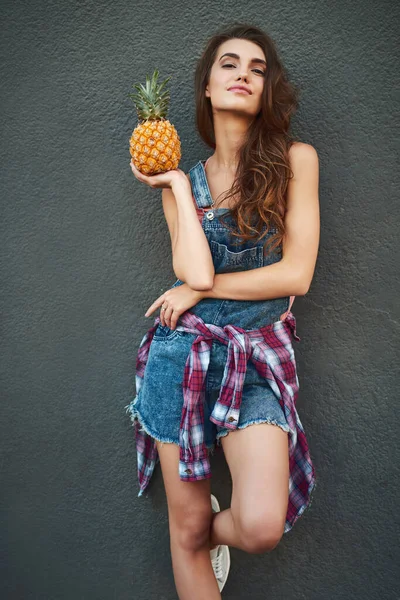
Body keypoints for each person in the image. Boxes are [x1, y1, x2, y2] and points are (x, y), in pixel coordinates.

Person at [125, 22, 320, 600]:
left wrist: (201, 294)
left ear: (266, 90)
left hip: (254, 361)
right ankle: (189, 537)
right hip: (178, 360)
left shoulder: (295, 161)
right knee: (183, 531)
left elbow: (296, 275)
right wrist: (180, 190)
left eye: (257, 69)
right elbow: (197, 271)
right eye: (229, 64)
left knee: (259, 526)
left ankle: (196, 535)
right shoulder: (180, 185)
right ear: (207, 89)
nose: (243, 74)